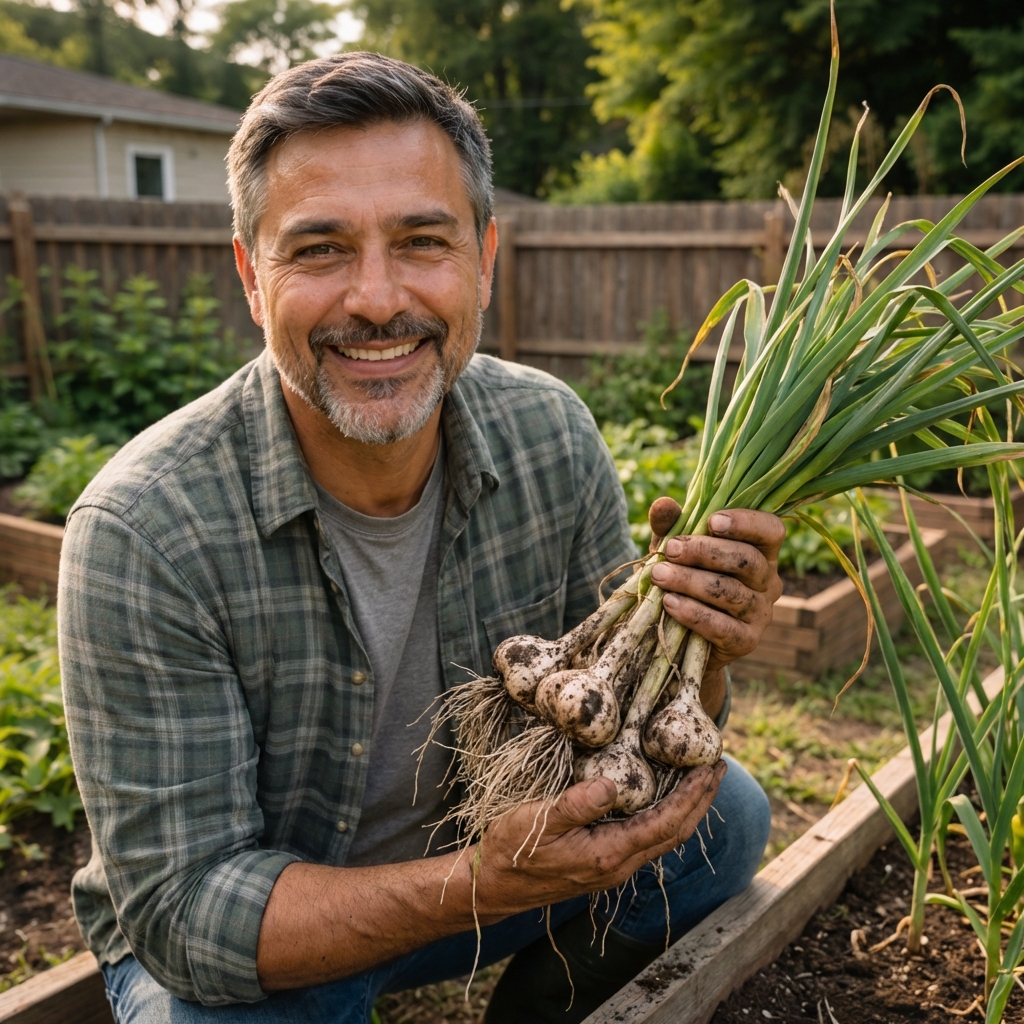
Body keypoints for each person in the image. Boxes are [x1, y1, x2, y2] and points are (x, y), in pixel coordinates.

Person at [59, 52, 781, 1024]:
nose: (374, 298)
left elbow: (624, 726)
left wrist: (702, 651)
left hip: (488, 858)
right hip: (275, 928)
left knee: (724, 819)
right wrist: (480, 884)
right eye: (317, 250)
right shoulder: (145, 526)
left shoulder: (550, 433)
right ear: (250, 275)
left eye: (420, 241)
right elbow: (186, 910)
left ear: (483, 258)